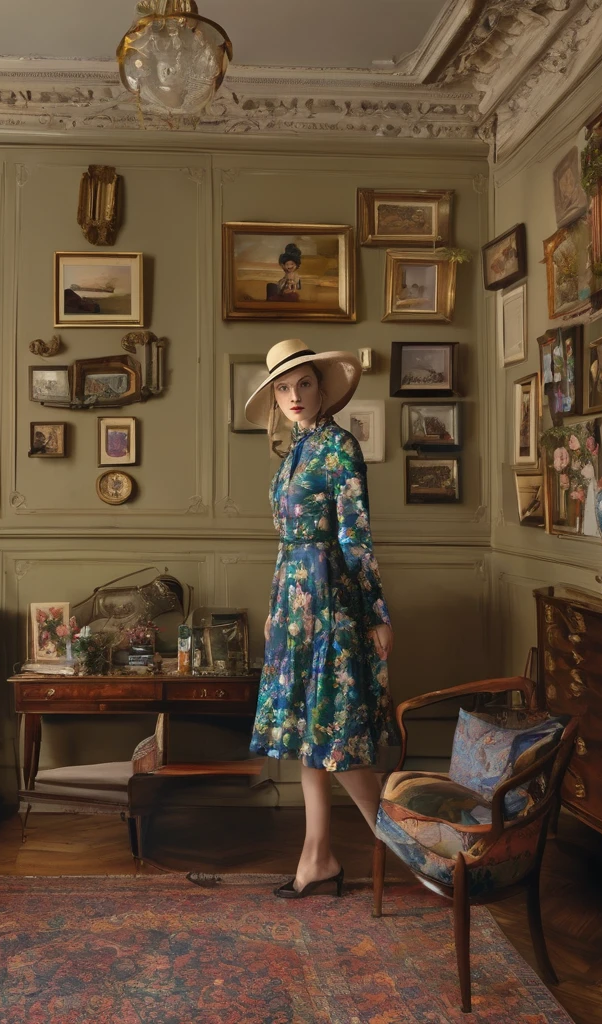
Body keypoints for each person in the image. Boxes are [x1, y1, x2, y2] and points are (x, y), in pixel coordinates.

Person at [243, 338, 395, 898]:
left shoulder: (338, 447)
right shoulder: (295, 453)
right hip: (293, 605)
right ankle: (318, 857)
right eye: (283, 388)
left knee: (336, 729)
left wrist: (377, 612)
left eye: (303, 383)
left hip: (333, 600)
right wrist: (273, 609)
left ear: (322, 387)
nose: (293, 396)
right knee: (312, 731)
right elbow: (285, 545)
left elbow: (356, 535)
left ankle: (407, 842)